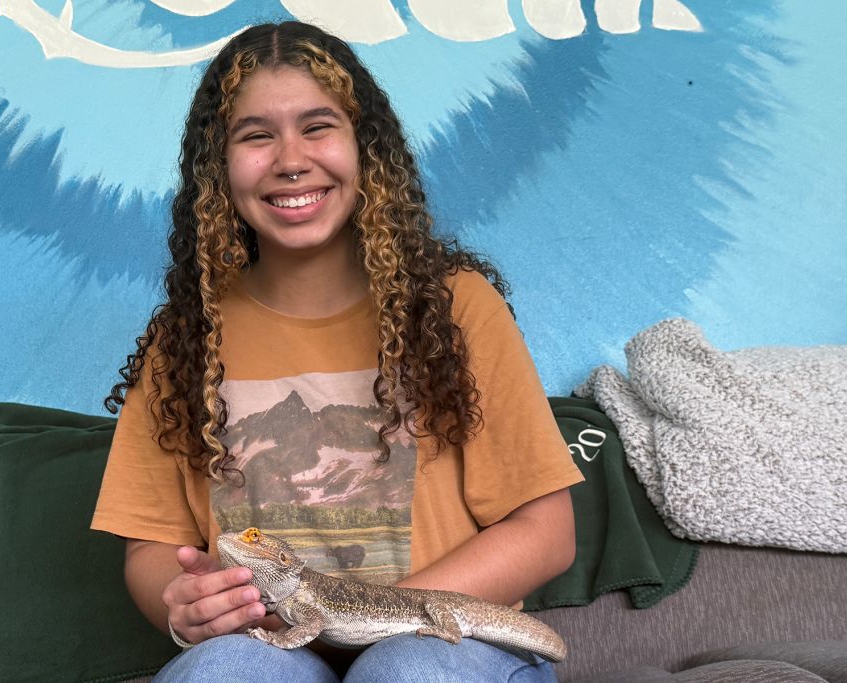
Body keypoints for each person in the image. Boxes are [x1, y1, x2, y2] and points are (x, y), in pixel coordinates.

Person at [91, 20, 583, 683]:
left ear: (366, 149)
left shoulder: (456, 307)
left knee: (405, 669)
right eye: (256, 135)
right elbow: (151, 548)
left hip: (445, 646)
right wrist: (184, 607)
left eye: (318, 126)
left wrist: (376, 619)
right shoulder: (182, 339)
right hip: (272, 650)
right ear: (217, 168)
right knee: (222, 672)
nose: (291, 159)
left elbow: (547, 532)